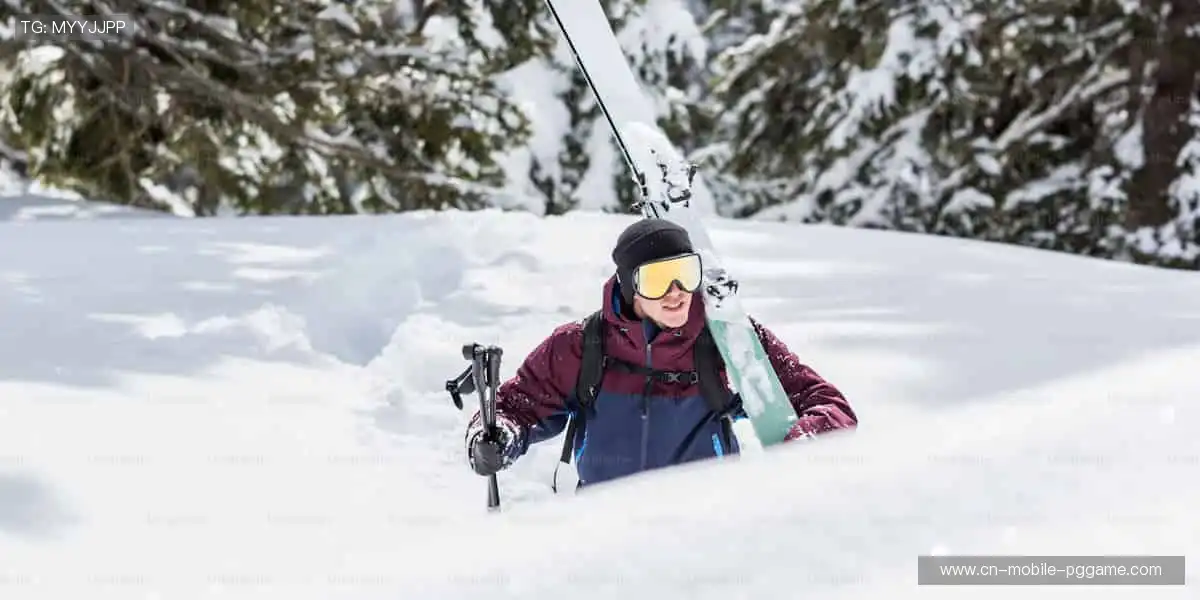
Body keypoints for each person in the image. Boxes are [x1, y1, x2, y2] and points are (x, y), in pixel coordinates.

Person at [464, 218, 857, 489]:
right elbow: (514, 406)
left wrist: (805, 439)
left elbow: (826, 403)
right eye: (655, 279)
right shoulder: (581, 344)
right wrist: (496, 438)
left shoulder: (728, 340)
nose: (675, 291)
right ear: (629, 287)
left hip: (706, 525)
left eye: (685, 273)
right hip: (599, 527)